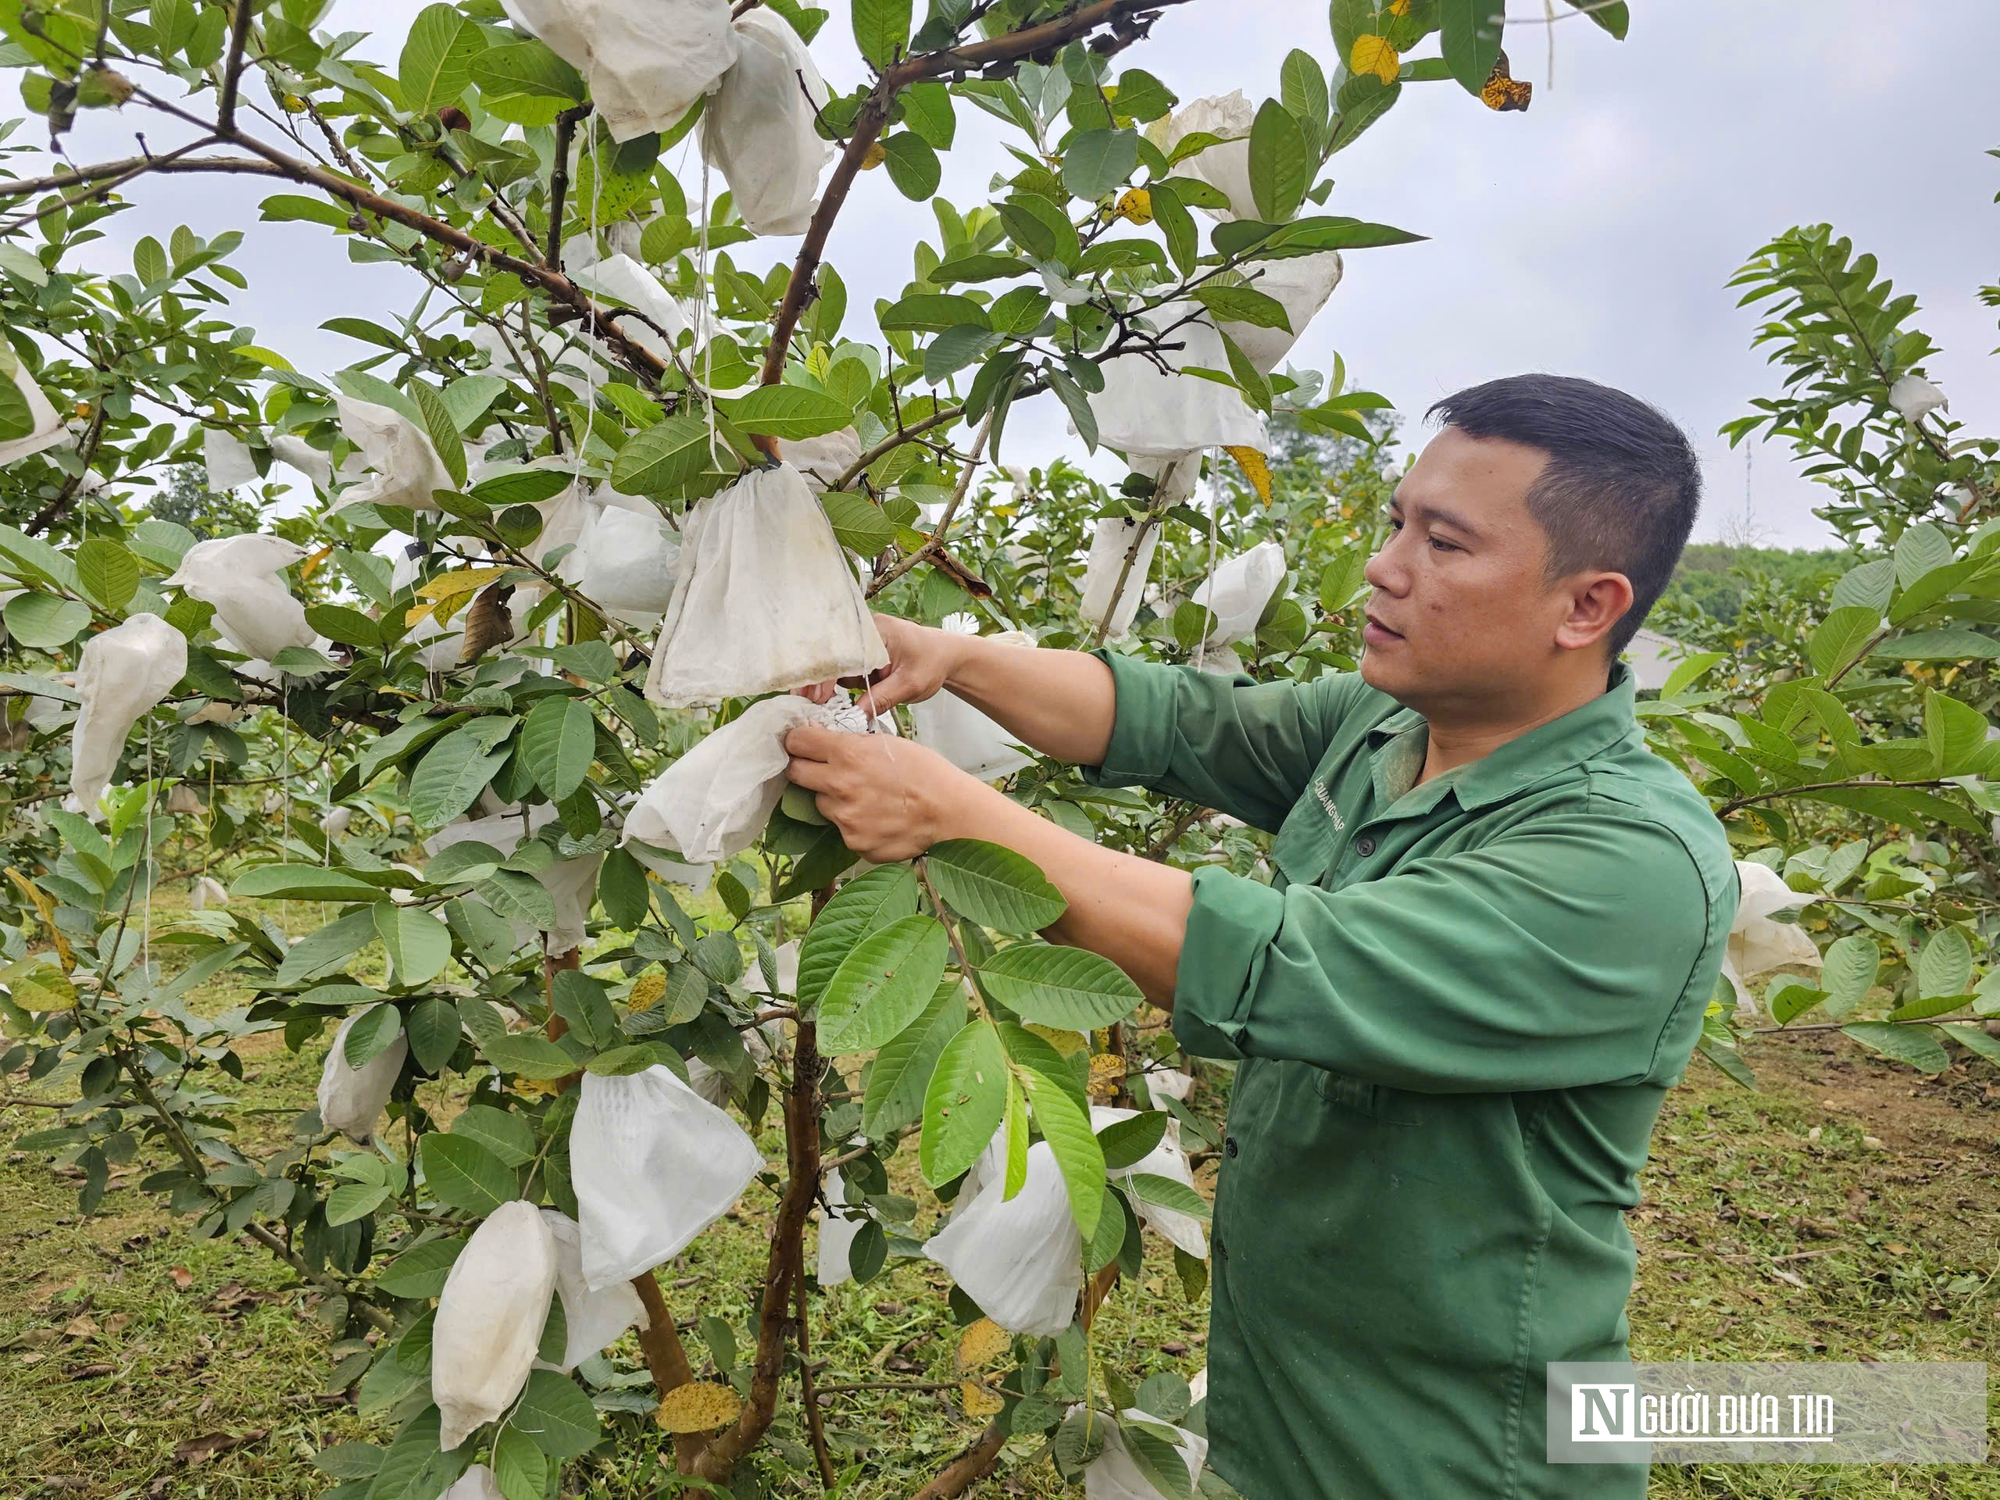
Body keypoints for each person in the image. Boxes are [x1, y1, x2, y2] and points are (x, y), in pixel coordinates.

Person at [784, 374, 1738, 1500]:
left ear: (1584, 608)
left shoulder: (1626, 863)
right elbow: (1173, 720)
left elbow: (1277, 960)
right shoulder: (1387, 726)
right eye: (1395, 524)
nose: (1385, 566)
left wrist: (953, 811)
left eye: (1443, 544)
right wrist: (947, 654)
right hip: (1290, 1408)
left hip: (1459, 1453)